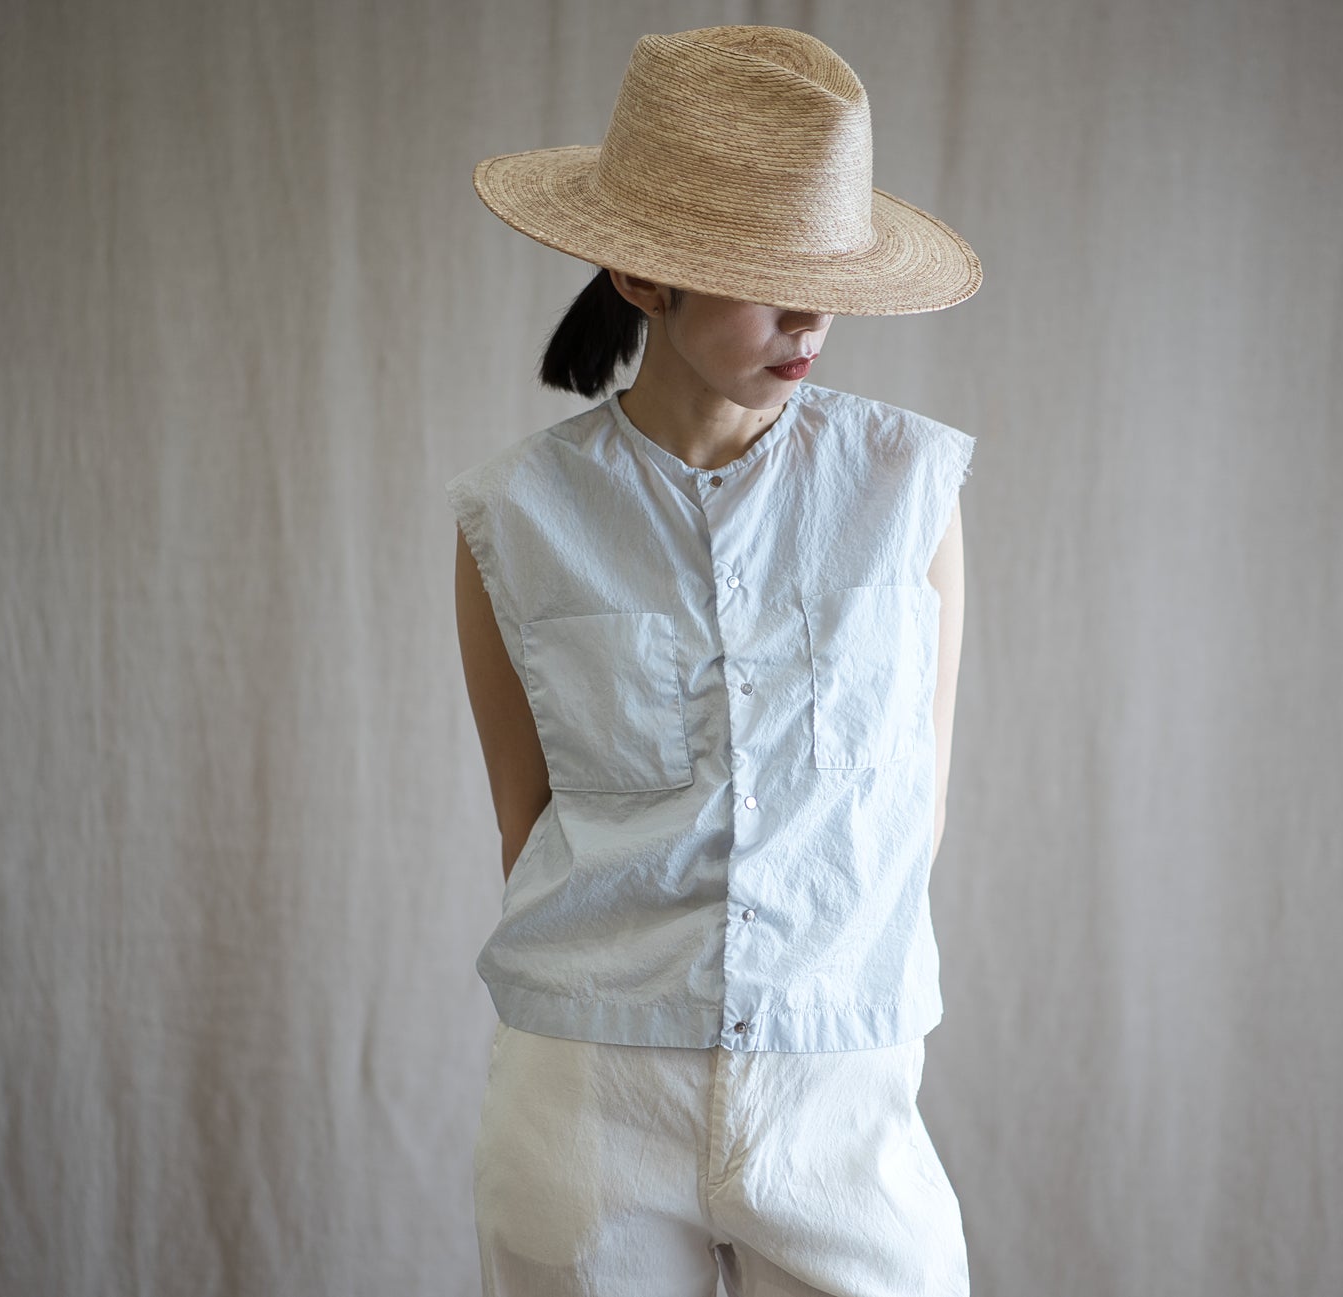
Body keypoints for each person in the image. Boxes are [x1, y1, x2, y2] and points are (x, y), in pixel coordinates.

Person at [445, 25, 981, 1297]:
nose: (811, 316)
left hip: (837, 1094)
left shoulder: (908, 488)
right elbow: (528, 825)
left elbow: (912, 802)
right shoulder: (514, 516)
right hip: (590, 1097)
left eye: (824, 273)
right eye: (765, 276)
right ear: (641, 275)